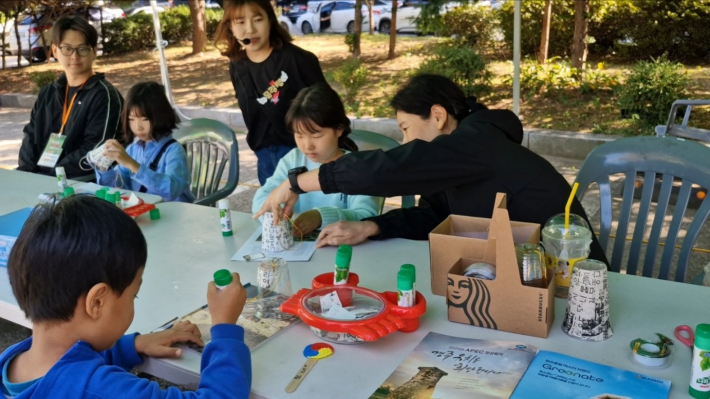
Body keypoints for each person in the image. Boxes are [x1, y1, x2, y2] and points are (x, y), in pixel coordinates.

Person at [254, 74, 609, 266]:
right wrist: (371, 226)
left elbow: (389, 170)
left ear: (438, 116)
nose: (406, 142)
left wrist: (297, 183)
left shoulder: (476, 143)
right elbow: (432, 217)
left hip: (570, 276)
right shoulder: (454, 162)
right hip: (522, 274)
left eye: (406, 128)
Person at [1, 195, 251, 398]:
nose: (134, 302)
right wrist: (225, 326)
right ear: (97, 302)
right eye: (134, 296)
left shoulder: (13, 362)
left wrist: (133, 345)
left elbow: (71, 366)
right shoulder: (102, 389)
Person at [216, 0, 327, 185]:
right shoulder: (237, 65)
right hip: (264, 156)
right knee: (273, 212)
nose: (250, 29)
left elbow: (328, 110)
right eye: (241, 22)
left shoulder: (298, 59)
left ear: (270, 21)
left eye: (258, 19)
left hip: (302, 155)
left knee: (305, 213)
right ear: (230, 27)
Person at [252, 84, 382, 235]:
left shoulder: (355, 168)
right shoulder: (293, 160)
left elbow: (367, 216)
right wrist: (274, 212)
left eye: (316, 136)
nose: (307, 146)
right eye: (299, 136)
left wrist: (321, 216)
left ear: (339, 129)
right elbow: (262, 199)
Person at [17, 15, 123, 179]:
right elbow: (31, 135)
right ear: (54, 51)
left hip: (79, 183)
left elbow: (96, 149)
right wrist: (26, 174)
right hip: (40, 178)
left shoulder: (104, 95)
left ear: (94, 51)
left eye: (82, 49)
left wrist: (52, 176)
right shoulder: (48, 92)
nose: (74, 56)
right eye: (67, 49)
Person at [95, 82, 195, 203]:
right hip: (145, 212)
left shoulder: (173, 150)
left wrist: (133, 165)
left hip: (173, 214)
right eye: (131, 119)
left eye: (145, 119)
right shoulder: (132, 149)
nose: (138, 127)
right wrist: (103, 168)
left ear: (160, 116)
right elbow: (119, 187)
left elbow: (172, 191)